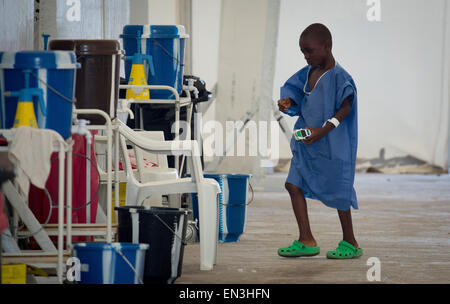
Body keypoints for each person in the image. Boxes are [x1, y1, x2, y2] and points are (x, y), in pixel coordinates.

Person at [277, 23, 362, 259]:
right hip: (307, 146)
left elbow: (346, 108)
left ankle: (351, 242)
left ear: (327, 46)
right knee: (293, 185)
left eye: (310, 51)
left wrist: (323, 131)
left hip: (332, 146)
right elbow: (295, 97)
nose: (306, 56)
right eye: (303, 51)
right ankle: (306, 239)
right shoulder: (307, 73)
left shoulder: (340, 77)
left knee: (339, 191)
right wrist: (287, 104)